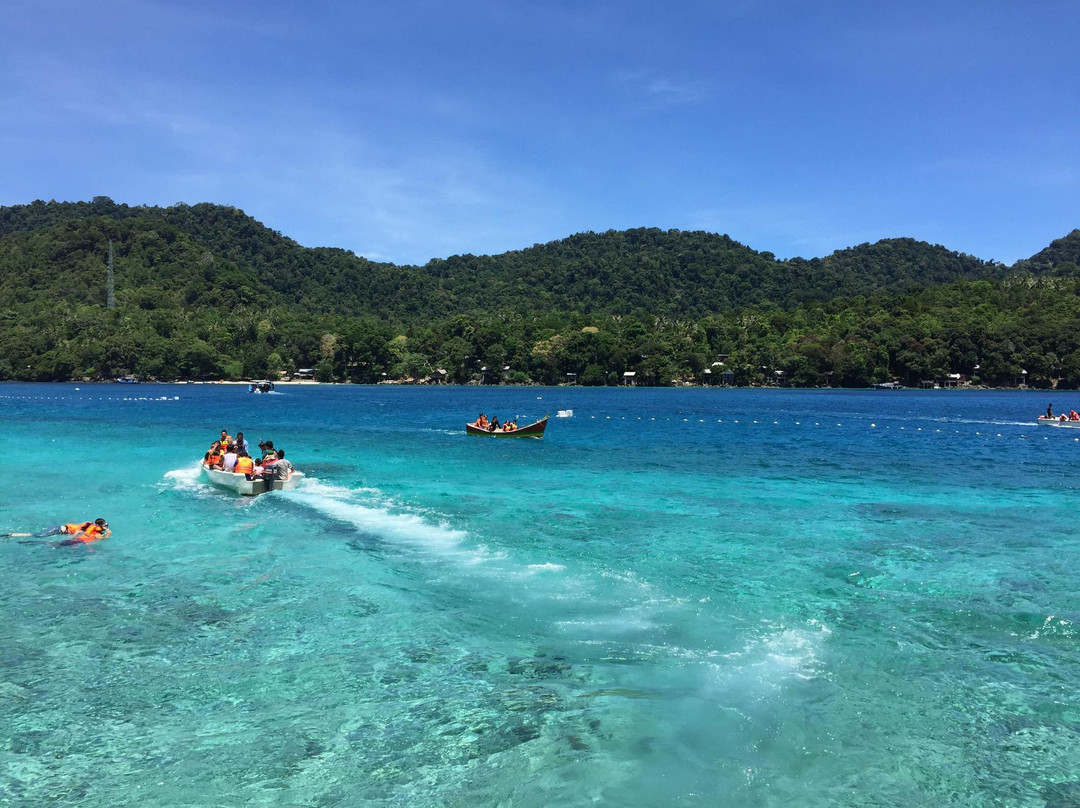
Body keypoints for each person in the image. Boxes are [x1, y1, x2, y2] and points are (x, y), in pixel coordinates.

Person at [3, 518, 110, 545]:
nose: (107, 526)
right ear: (100, 525)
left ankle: (14, 536)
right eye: (106, 525)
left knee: (39, 537)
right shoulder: (91, 527)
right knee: (38, 535)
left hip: (61, 531)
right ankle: (12, 535)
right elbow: (79, 531)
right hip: (59, 529)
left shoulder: (92, 526)